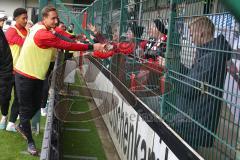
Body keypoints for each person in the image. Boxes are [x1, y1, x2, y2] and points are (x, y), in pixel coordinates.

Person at [14, 5, 106, 156]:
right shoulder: (43, 34)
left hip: (36, 76)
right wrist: (92, 46)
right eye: (53, 18)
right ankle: (30, 141)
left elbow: (62, 36)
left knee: (37, 106)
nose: (56, 21)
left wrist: (78, 39)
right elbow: (65, 44)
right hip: (24, 75)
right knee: (26, 110)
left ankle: (23, 125)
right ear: (44, 19)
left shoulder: (42, 26)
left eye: (57, 18)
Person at [165, 17, 232, 148]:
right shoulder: (208, 53)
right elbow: (192, 76)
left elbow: (187, 89)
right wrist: (175, 66)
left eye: (191, 34)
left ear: (201, 33)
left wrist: (170, 73)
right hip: (192, 116)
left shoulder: (212, 57)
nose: (191, 39)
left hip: (195, 121)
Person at [5, 8, 28, 132]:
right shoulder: (11, 31)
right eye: (23, 18)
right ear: (16, 18)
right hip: (9, 70)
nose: (26, 20)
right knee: (5, 97)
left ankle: (11, 123)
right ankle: (4, 117)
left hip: (21, 70)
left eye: (26, 18)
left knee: (19, 97)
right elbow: (24, 43)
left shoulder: (26, 31)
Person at [0, 13, 13, 130]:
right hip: (6, 70)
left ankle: (4, 117)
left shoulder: (2, 34)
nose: (2, 23)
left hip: (6, 72)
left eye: (3, 21)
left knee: (4, 97)